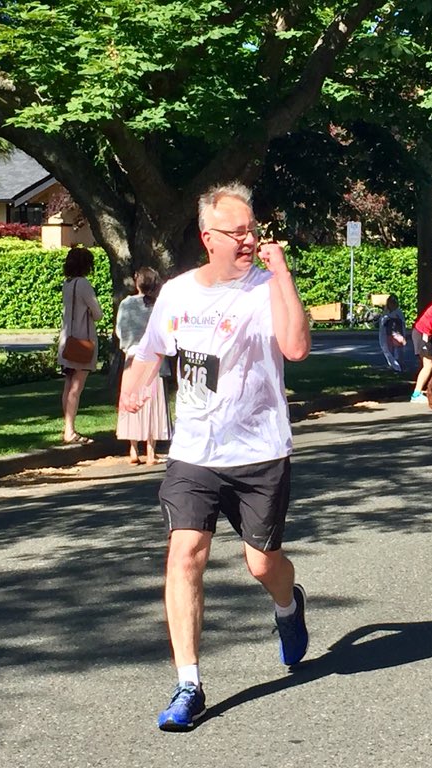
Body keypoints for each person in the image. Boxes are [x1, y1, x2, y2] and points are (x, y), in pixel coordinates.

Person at [119, 182, 312, 731]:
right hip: (195, 453)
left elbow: (296, 348)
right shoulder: (177, 294)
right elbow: (150, 352)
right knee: (185, 555)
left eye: (252, 228)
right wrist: (133, 385)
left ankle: (287, 604)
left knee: (262, 564)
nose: (250, 238)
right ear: (209, 238)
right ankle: (189, 683)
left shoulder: (266, 287)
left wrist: (284, 277)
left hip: (260, 452)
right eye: (238, 232)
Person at [115, 267, 172, 465]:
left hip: (132, 357)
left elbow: (120, 331)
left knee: (132, 400)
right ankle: (151, 451)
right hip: (154, 359)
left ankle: (133, 449)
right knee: (153, 403)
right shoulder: (159, 306)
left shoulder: (126, 304)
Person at [57, 245, 103, 445]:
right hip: (83, 341)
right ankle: (70, 430)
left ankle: (67, 427)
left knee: (68, 385)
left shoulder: (67, 284)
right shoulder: (84, 284)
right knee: (77, 386)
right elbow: (98, 313)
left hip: (67, 340)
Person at [377, 294, 408, 373]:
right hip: (388, 334)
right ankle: (393, 365)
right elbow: (382, 323)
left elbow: (401, 323)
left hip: (396, 334)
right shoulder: (386, 312)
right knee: (389, 350)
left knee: (398, 351)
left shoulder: (398, 312)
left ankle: (399, 366)